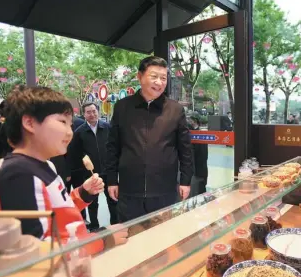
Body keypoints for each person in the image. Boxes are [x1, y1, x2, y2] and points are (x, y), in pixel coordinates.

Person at [0, 86, 128, 255]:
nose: (69, 132)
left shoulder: (45, 165)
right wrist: (101, 239)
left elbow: (55, 211)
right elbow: (38, 254)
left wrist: (83, 193)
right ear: (29, 123)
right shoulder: (19, 175)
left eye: (70, 124)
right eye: (62, 122)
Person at [106, 56, 193, 223]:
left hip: (164, 189)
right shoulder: (122, 107)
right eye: (154, 77)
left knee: (163, 237)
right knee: (131, 237)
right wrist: (111, 179)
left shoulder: (175, 110)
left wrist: (185, 180)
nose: (159, 83)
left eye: (163, 78)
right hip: (129, 189)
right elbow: (112, 146)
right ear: (139, 77)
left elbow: (185, 149)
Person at [67, 102, 117, 229]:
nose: (92, 114)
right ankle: (94, 226)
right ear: (84, 114)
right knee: (92, 203)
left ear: (98, 112)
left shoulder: (107, 127)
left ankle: (115, 225)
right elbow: (74, 153)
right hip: (90, 175)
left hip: (108, 172)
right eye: (88, 112)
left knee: (113, 200)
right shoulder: (79, 133)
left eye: (94, 111)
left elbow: (114, 148)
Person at [188, 113, 209, 197]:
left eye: (190, 119)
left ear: (195, 121)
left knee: (199, 192)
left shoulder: (199, 135)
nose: (188, 121)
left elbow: (203, 156)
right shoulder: (192, 133)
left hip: (199, 170)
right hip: (196, 171)